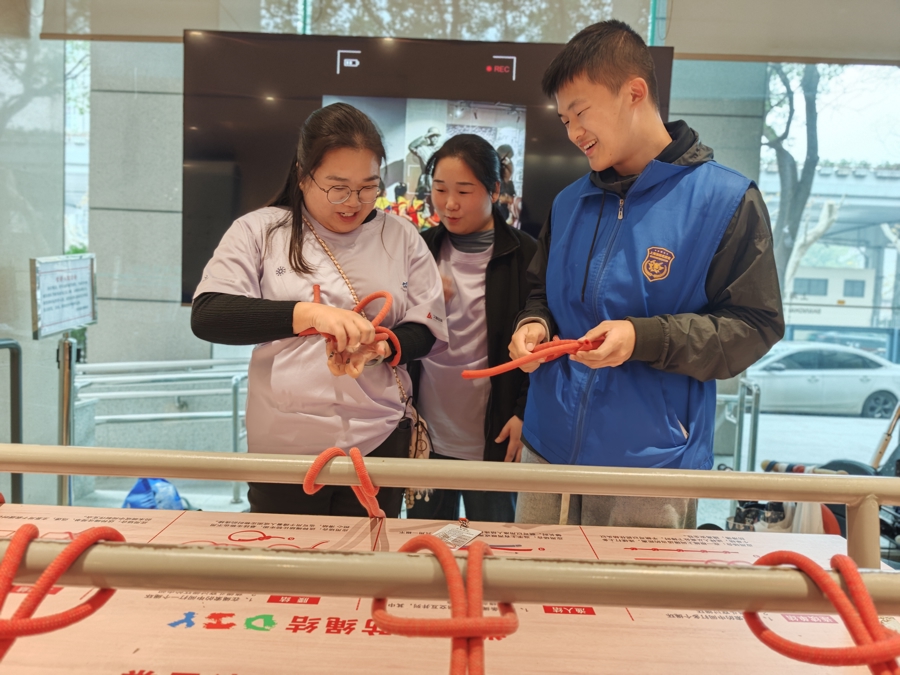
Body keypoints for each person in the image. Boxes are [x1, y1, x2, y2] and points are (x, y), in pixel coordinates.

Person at [509, 20, 784, 528]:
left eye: (581, 113)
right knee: (531, 580)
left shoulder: (725, 200)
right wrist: (534, 324)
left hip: (652, 465)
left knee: (633, 586)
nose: (572, 133)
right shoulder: (570, 203)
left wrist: (643, 337)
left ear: (634, 92)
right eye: (565, 119)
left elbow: (755, 325)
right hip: (548, 449)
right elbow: (540, 293)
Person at [191, 103, 448, 518]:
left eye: (368, 187)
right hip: (284, 446)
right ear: (302, 174)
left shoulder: (400, 235)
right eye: (337, 188)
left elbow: (427, 327)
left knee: (367, 556)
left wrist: (381, 347)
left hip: (379, 438)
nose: (353, 203)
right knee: (286, 555)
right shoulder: (261, 230)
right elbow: (209, 314)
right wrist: (310, 315)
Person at [406, 134, 537, 522]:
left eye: (463, 191)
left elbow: (544, 342)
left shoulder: (525, 255)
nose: (449, 203)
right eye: (439, 189)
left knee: (495, 545)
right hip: (426, 434)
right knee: (427, 546)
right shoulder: (418, 250)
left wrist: (525, 413)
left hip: (495, 435)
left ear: (494, 190)